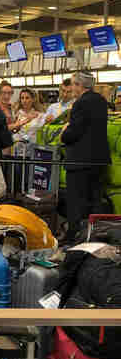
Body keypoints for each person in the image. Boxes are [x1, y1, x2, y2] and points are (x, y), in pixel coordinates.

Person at [60, 71, 110, 243]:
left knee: (76, 203)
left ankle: (75, 238)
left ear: (79, 86)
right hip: (99, 161)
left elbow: (73, 134)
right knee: (95, 200)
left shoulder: (81, 103)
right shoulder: (101, 101)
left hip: (80, 162)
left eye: (73, 84)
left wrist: (64, 132)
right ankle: (95, 237)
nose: (72, 88)